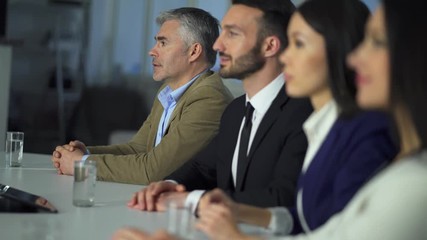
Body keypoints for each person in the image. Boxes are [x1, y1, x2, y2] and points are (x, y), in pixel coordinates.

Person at [195, 0, 427, 239]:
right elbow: (317, 221)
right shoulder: (324, 126)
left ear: (338, 48)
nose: (284, 57)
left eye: (299, 43)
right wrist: (239, 211)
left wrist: (235, 237)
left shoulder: (370, 135)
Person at [127, 0, 312, 214]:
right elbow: (202, 168)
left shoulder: (304, 113)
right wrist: (170, 185)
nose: (217, 45)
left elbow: (283, 198)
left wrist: (192, 200)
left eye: (232, 34)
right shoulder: (235, 111)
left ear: (269, 46)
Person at [51, 7, 234, 184]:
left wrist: (81, 164)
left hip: (185, 209)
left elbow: (153, 171)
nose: (152, 51)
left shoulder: (210, 99)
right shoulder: (167, 91)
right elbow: (138, 148)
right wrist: (86, 153)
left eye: (163, 43)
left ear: (194, 51)